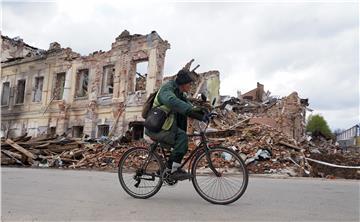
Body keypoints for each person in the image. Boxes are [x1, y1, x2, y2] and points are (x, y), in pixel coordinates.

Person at [145, 69, 207, 180]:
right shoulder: (167, 89)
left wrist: (202, 115)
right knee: (182, 137)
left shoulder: (179, 92)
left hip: (165, 125)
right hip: (157, 127)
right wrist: (190, 109)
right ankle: (173, 170)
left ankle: (169, 168)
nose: (190, 86)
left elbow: (188, 106)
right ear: (183, 83)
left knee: (182, 139)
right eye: (189, 83)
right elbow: (172, 101)